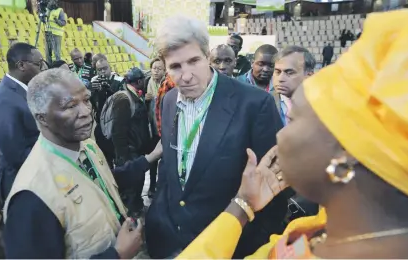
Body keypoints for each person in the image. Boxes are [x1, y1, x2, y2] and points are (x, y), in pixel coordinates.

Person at [175, 9, 408, 259]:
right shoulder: (318, 236)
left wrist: (239, 209)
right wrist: (244, 203)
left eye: (293, 120)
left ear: (344, 156)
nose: (279, 136)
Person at [145, 16, 286, 259]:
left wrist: (257, 244)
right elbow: (170, 168)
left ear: (206, 56)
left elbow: (274, 186)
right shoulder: (168, 101)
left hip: (232, 245)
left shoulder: (254, 104)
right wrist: (158, 218)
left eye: (194, 61)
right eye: (175, 67)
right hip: (172, 243)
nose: (186, 76)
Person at [3, 68, 163, 258]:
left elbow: (105, 181)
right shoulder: (31, 196)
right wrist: (118, 254)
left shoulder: (86, 146)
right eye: (70, 106)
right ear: (42, 117)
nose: (86, 111)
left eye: (86, 100)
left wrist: (150, 157)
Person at [0, 43, 47, 201]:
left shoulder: (22, 90)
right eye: (39, 64)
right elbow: (15, 154)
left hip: (34, 176)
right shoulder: (4, 98)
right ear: (22, 65)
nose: (43, 68)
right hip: (21, 183)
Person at [110, 67, 151, 214]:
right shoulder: (124, 99)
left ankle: (137, 205)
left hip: (135, 149)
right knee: (132, 186)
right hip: (128, 152)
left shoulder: (135, 96)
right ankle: (133, 213)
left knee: (138, 182)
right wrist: (124, 156)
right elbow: (118, 131)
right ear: (139, 81)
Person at [91, 59, 126, 167]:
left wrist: (109, 89)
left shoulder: (119, 80)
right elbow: (91, 103)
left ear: (110, 68)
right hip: (101, 124)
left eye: (105, 68)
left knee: (120, 157)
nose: (102, 72)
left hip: (117, 123)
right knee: (105, 158)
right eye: (99, 70)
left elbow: (124, 100)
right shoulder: (94, 81)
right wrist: (94, 91)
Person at [273, 46, 315, 126]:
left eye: (289, 72)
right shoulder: (263, 102)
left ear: (309, 75)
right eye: (277, 72)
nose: (280, 79)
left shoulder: (323, 105)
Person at [145, 58, 166, 196]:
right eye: (154, 68)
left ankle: (163, 187)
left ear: (165, 71)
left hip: (165, 129)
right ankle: (152, 186)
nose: (156, 71)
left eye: (159, 68)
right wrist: (145, 99)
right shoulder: (147, 82)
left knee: (165, 162)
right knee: (152, 160)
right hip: (152, 129)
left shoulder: (168, 85)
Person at [45, 0, 67, 65]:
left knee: (56, 53)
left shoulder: (60, 10)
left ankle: (58, 66)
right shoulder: (47, 10)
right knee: (48, 53)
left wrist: (57, 21)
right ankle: (49, 66)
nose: (49, 2)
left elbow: (63, 22)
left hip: (56, 34)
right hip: (48, 33)